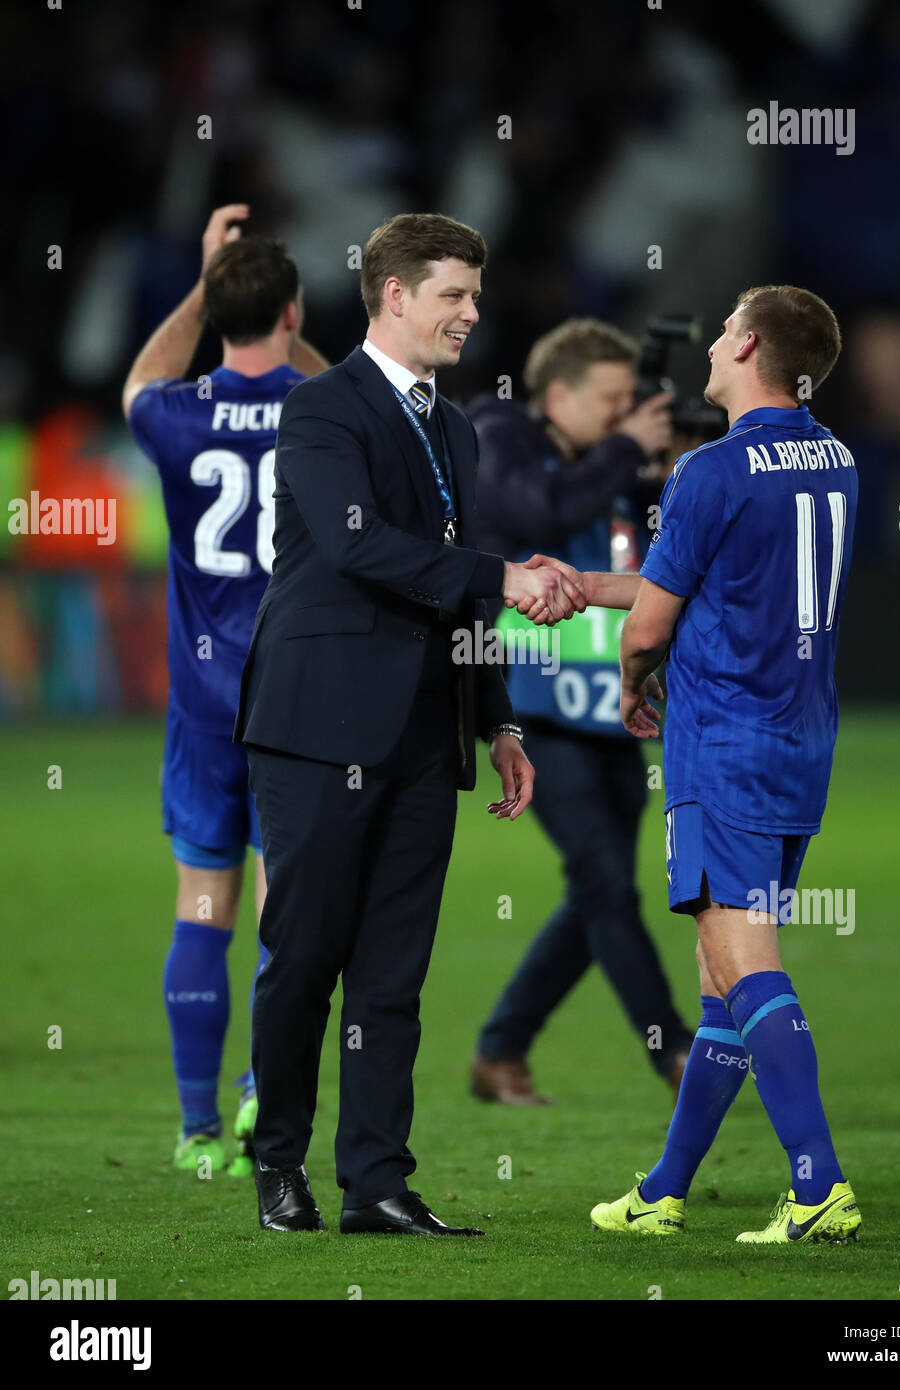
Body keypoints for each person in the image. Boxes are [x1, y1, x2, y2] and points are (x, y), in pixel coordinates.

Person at [234, 212, 583, 1236]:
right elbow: (361, 550)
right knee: (303, 958)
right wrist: (504, 575)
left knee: (392, 975)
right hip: (316, 727)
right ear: (394, 295)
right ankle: (279, 1166)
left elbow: (461, 594)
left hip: (427, 733)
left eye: (474, 297)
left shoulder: (456, 425)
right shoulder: (319, 411)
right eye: (453, 296)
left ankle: (376, 1182)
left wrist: (501, 721)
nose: (472, 314)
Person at [524, 285, 862, 1244]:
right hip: (800, 743)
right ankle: (664, 1190)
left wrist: (634, 679)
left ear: (749, 343)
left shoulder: (711, 470)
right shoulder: (832, 459)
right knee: (720, 986)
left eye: (723, 329)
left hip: (724, 747)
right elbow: (706, 576)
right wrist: (590, 583)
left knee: (747, 966)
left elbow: (657, 622)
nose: (710, 343)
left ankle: (818, 1184)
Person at [123, 205, 329, 1178]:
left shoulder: (173, 414)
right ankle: (263, 1101)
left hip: (204, 706)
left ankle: (198, 1130)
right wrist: (264, 304)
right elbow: (361, 388)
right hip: (296, 699)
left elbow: (138, 380)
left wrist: (209, 284)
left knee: (200, 907)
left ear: (217, 312)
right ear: (292, 311)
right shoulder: (324, 411)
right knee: (279, 911)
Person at [468, 319, 696, 1105]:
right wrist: (630, 448)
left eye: (633, 402)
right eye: (611, 400)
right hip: (533, 708)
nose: (626, 415)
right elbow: (534, 513)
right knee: (603, 884)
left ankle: (500, 1050)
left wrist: (659, 468)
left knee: (597, 895)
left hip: (609, 709)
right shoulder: (496, 429)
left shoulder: (609, 464)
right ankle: (675, 1051)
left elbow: (655, 547)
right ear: (557, 394)